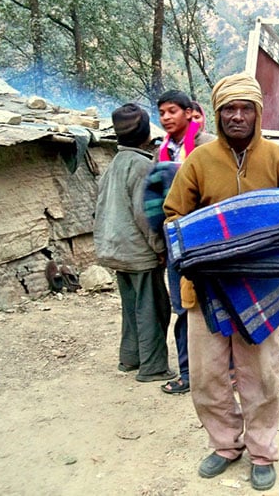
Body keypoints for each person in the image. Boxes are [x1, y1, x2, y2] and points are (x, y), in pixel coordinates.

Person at [163, 72, 279, 491]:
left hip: (260, 293)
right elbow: (173, 218)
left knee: (261, 376)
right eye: (228, 110)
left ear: (257, 113)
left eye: (245, 109)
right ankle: (225, 445)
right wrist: (204, 252)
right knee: (206, 376)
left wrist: (276, 255)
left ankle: (261, 452)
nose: (237, 116)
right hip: (205, 291)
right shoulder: (199, 161)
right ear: (217, 115)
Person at [94, 103, 175, 382]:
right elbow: (146, 215)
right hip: (139, 253)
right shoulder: (141, 165)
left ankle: (129, 359)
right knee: (154, 309)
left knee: (131, 309)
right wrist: (160, 248)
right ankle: (153, 367)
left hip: (116, 250)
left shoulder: (115, 163)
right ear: (144, 133)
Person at [153, 91, 214, 395]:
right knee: (182, 308)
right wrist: (159, 245)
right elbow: (154, 205)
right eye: (162, 112)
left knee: (214, 304)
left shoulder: (208, 147)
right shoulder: (161, 153)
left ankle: (221, 370)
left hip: (206, 241)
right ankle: (189, 372)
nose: (166, 117)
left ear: (190, 113)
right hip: (176, 244)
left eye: (172, 111)